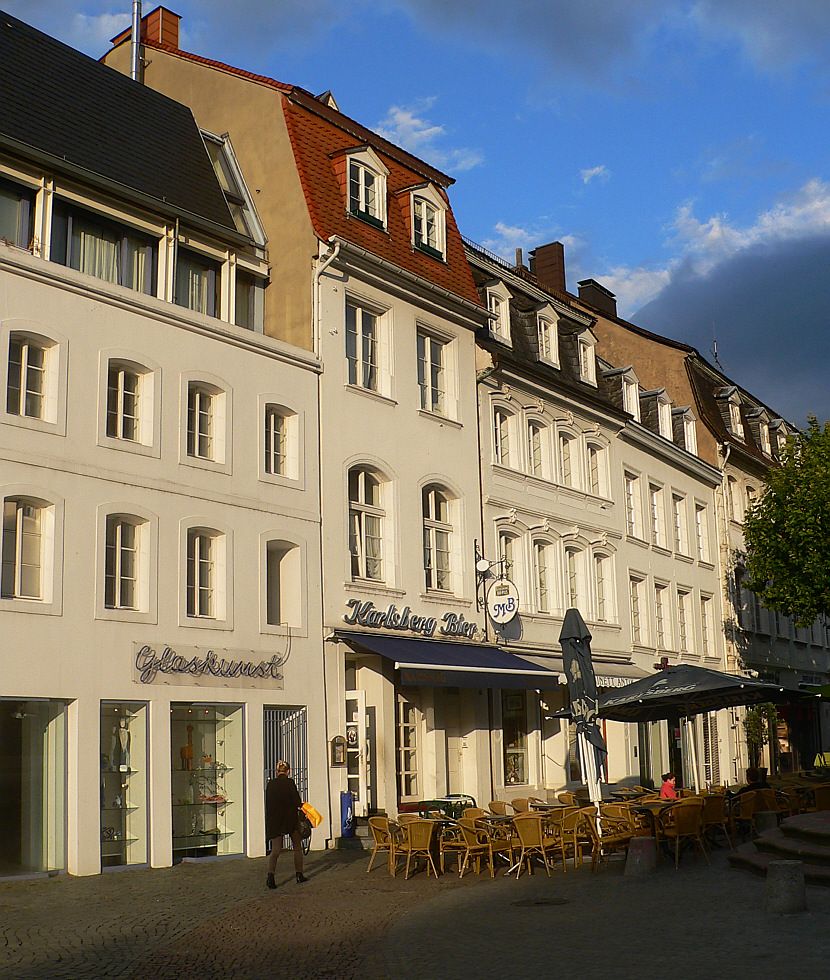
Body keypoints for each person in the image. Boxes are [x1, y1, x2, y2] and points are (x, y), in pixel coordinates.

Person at [265, 760, 307, 887]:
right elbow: (297, 801)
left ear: (277, 771)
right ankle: (299, 875)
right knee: (297, 847)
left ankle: (270, 876)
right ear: (288, 771)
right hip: (290, 820)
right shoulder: (290, 783)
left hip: (275, 820)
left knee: (275, 850)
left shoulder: (271, 784)